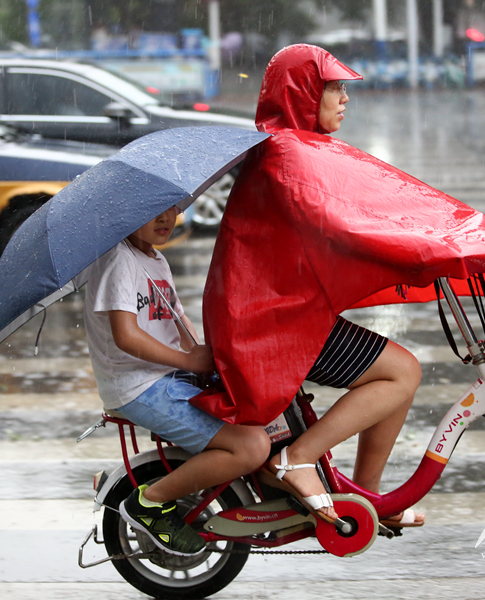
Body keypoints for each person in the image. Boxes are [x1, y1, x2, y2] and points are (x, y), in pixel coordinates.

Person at [203, 44, 424, 526]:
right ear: (304, 92)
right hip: (273, 326)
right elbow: (344, 223)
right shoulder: (290, 153)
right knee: (401, 373)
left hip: (279, 314)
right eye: (335, 88)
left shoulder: (292, 147)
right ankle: (297, 457)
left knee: (398, 374)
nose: (345, 99)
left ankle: (365, 500)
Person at [82, 206, 270, 556]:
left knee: (265, 408)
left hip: (169, 376)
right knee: (250, 446)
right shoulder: (118, 259)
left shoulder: (154, 259)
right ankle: (149, 503)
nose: (166, 218)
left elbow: (178, 322)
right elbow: (126, 335)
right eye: (152, 211)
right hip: (138, 386)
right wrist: (188, 360)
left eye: (172, 209)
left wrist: (205, 361)